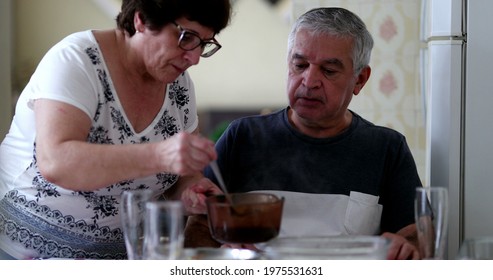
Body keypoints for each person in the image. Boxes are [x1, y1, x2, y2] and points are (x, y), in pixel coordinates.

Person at [0, 0, 231, 259]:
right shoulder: (76, 60)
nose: (195, 58)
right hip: (23, 253)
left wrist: (190, 192)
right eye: (186, 37)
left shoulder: (179, 86)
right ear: (141, 20)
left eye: (204, 43)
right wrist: (159, 155)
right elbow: (55, 162)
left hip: (120, 257)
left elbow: (181, 177)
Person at [189, 7, 422, 260]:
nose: (309, 81)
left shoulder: (386, 148)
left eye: (329, 71)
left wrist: (406, 245)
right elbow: (199, 228)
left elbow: (415, 234)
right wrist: (220, 256)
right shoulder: (242, 137)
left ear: (360, 80)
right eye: (300, 65)